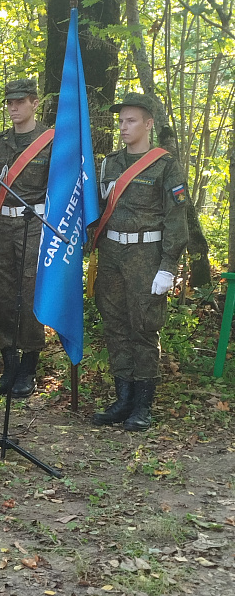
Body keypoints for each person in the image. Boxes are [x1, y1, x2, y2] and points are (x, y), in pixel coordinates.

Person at [92, 92, 188, 431]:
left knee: (144, 327)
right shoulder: (110, 163)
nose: (123, 127)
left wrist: (168, 266)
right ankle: (123, 399)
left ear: (148, 124)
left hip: (147, 256)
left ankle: (143, 405)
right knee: (115, 324)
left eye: (130, 120)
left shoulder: (165, 164)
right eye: (120, 121)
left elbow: (177, 218)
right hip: (112, 255)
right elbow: (98, 211)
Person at [0, 78, 53, 398]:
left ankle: (28, 368)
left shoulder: (51, 142)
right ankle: (9, 363)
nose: (13, 108)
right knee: (1, 296)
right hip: (3, 228)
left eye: (19, 102)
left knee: (28, 297)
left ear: (34, 103)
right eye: (9, 103)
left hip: (35, 227)